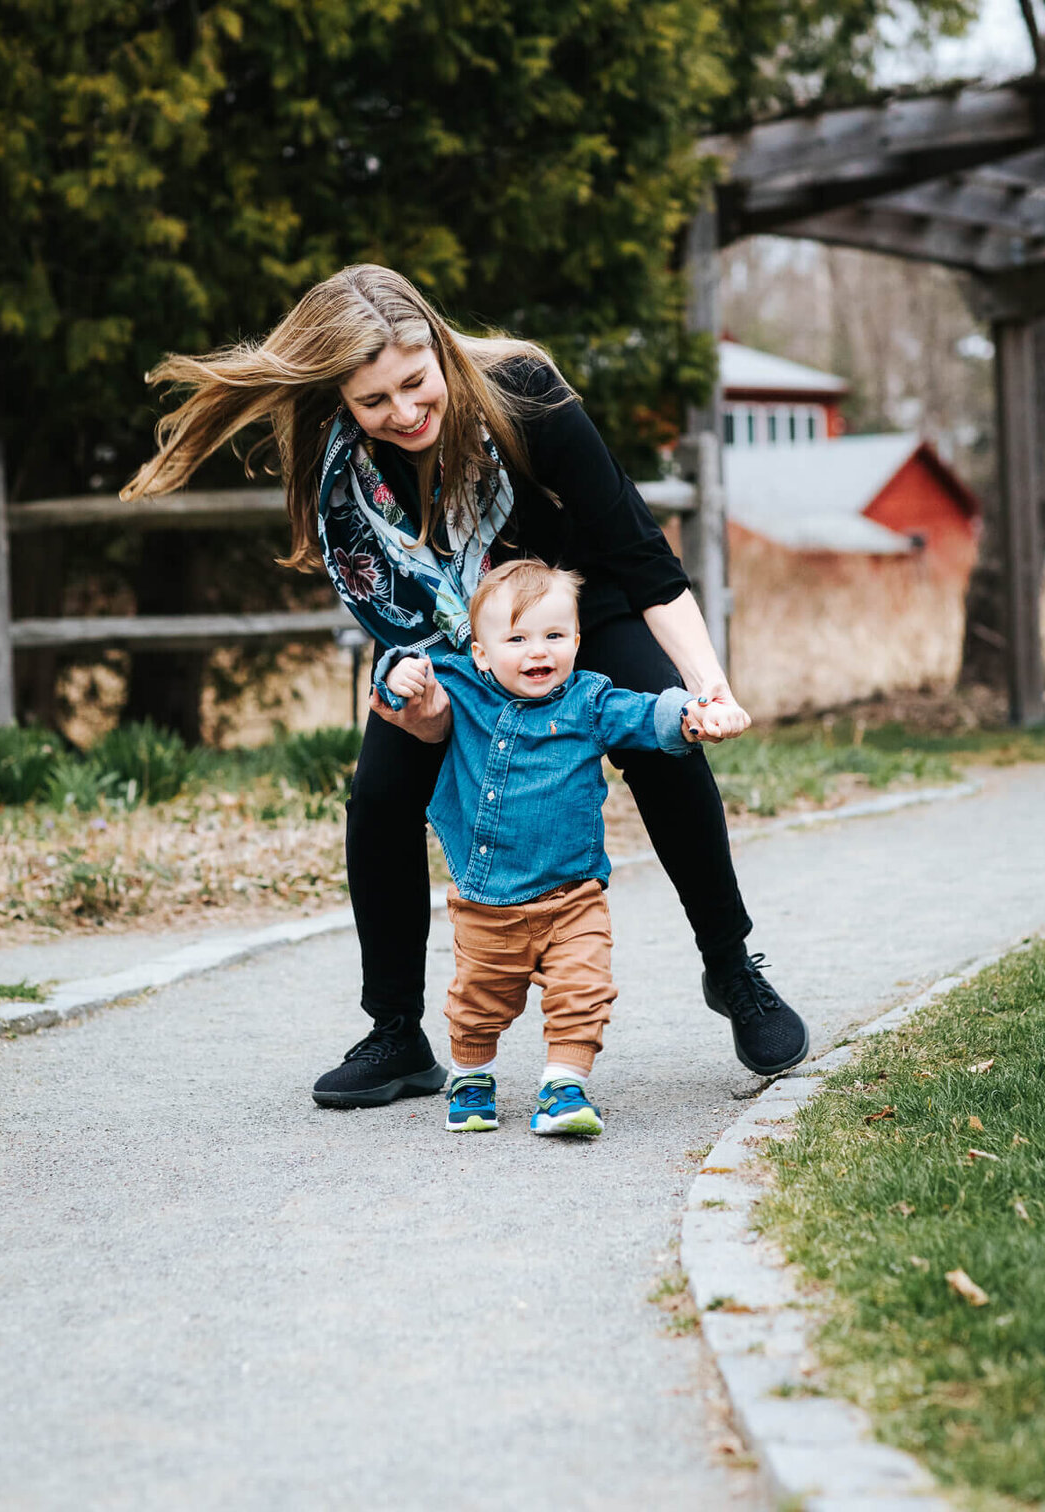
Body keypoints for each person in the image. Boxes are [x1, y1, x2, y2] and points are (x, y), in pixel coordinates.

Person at [122, 264, 809, 1104]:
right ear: (341, 396)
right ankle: (397, 1035)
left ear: (438, 350)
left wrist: (708, 689)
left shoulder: (523, 396)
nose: (404, 414)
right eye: (375, 401)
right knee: (380, 793)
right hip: (451, 642)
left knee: (662, 748)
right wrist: (428, 706)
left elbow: (644, 559)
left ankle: (732, 968)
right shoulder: (341, 463)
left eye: (416, 384)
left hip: (577, 606)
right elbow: (391, 605)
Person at [375, 558, 748, 1137]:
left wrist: (696, 715)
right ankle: (471, 1079)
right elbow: (405, 666)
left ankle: (563, 1088)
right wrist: (397, 675)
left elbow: (647, 713)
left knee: (585, 992)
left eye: (554, 636)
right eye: (517, 639)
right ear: (481, 652)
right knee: (478, 1002)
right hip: (487, 901)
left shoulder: (589, 702)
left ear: (577, 640)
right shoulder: (462, 689)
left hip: (573, 897)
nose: (537, 652)